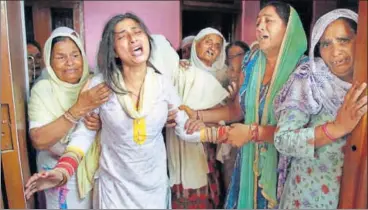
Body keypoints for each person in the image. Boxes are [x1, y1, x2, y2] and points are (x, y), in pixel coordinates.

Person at [24, 13, 229, 209]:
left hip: (154, 189)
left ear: (147, 40)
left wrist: (225, 134)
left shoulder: (162, 84)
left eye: (137, 31)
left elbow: (184, 127)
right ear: (113, 49)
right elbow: (84, 134)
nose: (132, 38)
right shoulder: (100, 84)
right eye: (122, 36)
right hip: (115, 190)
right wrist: (63, 171)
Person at [175, 1, 308, 208]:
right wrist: (198, 115)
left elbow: (303, 132)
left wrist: (253, 133)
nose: (260, 26)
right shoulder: (252, 61)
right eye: (258, 22)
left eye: (268, 21)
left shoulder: (304, 72)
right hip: (249, 161)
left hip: (285, 167)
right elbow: (236, 110)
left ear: (288, 28)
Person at [273, 9, 367, 209]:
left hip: (355, 196)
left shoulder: (364, 83)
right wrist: (336, 128)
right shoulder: (309, 80)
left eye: (344, 40)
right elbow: (283, 139)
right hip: (306, 197)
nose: (335, 52)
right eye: (326, 44)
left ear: (360, 40)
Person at [27, 27, 110, 209]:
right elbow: (39, 140)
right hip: (56, 168)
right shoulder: (43, 90)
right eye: (60, 57)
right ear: (49, 60)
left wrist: (101, 124)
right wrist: (78, 109)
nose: (70, 63)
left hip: (94, 166)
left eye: (75, 55)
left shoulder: (94, 83)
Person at [221, 40, 250, 190]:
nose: (236, 60)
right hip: (233, 146)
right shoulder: (228, 86)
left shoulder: (256, 84)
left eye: (239, 55)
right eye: (231, 57)